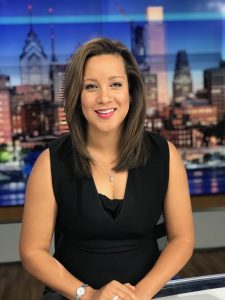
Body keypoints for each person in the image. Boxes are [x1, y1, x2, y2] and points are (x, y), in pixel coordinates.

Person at [19, 37, 194, 300]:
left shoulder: (164, 155)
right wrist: (87, 295)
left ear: (131, 91)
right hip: (73, 295)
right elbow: (33, 251)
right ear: (77, 95)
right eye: (91, 86)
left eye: (115, 84)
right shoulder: (49, 163)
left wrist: (141, 294)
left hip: (149, 291)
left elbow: (182, 239)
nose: (104, 97)